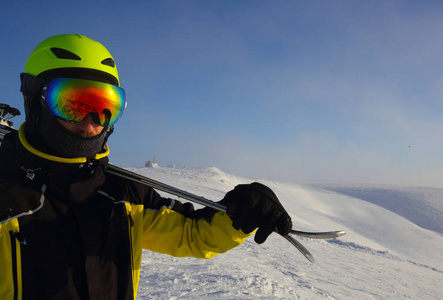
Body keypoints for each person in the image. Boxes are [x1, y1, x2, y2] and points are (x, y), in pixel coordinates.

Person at [0, 34, 292, 300]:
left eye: (104, 109)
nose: (90, 123)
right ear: (34, 101)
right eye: (71, 104)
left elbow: (192, 233)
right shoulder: (6, 193)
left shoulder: (123, 193)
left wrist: (239, 213)